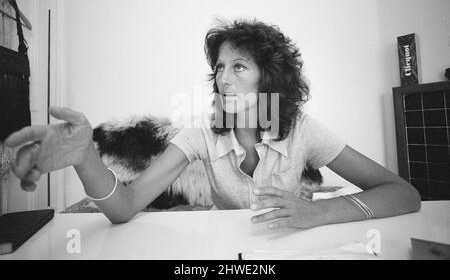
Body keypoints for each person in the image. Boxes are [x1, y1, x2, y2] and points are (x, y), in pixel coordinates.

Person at [5, 19, 421, 229]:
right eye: (220, 68)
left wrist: (319, 212)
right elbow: (126, 206)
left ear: (270, 77)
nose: (223, 79)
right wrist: (85, 158)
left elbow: (404, 194)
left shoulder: (304, 131)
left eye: (239, 66)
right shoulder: (201, 134)